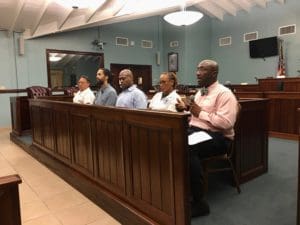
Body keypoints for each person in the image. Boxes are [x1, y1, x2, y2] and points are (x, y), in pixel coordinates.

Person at [176, 59, 238, 217]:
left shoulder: (225, 94)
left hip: (219, 137)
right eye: (197, 69)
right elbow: (196, 116)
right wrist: (186, 110)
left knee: (187, 148)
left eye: (202, 70)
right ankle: (180, 191)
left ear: (213, 73)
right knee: (172, 140)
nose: (197, 73)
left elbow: (226, 123)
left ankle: (199, 203)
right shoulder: (200, 91)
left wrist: (199, 112)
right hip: (197, 131)